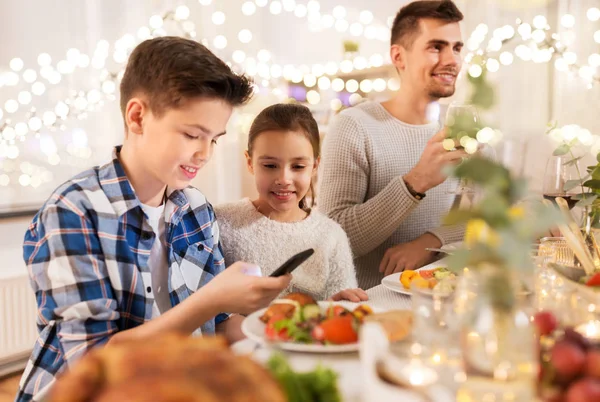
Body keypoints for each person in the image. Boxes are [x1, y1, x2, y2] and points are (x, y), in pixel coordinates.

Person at [17, 37, 291, 401]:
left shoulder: (195, 209)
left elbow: (220, 325)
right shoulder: (73, 213)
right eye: (193, 134)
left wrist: (291, 330)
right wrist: (210, 299)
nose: (204, 153)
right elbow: (93, 365)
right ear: (137, 116)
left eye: (214, 139)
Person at [319, 0, 468, 289]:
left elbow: (492, 217)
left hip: (443, 299)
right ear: (399, 57)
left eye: (457, 47)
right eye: (436, 47)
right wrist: (415, 183)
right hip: (370, 307)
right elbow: (332, 238)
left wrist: (432, 240)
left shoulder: (461, 128)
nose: (452, 60)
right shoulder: (354, 126)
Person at [215, 103, 367, 302]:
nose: (284, 179)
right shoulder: (221, 223)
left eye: (298, 166)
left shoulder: (330, 236)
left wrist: (337, 304)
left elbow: (340, 308)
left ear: (315, 166)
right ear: (250, 162)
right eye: (270, 165)